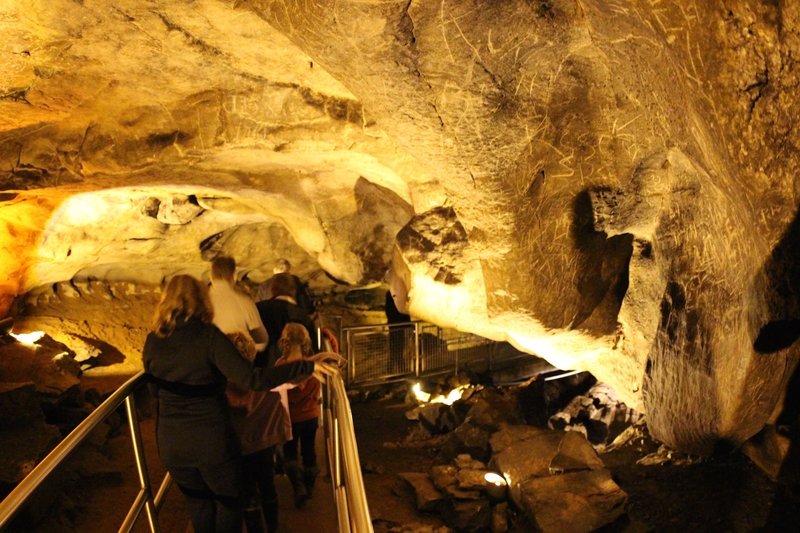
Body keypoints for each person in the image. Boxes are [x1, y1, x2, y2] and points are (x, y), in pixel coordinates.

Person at [142, 275, 337, 533]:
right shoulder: (208, 336)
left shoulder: (153, 340)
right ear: (202, 300)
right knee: (229, 503)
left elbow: (153, 389)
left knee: (198, 504)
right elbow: (252, 379)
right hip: (210, 440)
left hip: (171, 442)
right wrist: (305, 365)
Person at [207, 256, 283, 532]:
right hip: (246, 371)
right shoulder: (243, 301)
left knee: (239, 480)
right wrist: (249, 349)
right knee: (264, 479)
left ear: (211, 273)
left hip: (217, 379)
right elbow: (262, 341)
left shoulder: (202, 303)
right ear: (234, 274)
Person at [275, 324, 345, 508]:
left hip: (290, 418)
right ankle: (310, 486)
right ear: (306, 341)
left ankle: (298, 487)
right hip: (311, 417)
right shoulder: (315, 365)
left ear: (284, 342)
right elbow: (335, 360)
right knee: (309, 451)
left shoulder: (281, 366)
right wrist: (331, 339)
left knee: (290, 452)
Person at [257, 273, 318, 366]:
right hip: (294, 373)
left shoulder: (259, 309)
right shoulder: (304, 317)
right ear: (294, 292)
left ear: (273, 290)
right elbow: (312, 352)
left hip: (262, 372)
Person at [385, 289, 411, 373]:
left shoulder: (391, 294)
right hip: (397, 325)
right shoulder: (397, 295)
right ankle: (397, 369)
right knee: (397, 348)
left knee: (396, 348)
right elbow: (403, 311)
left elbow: (389, 310)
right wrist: (408, 323)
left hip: (395, 325)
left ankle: (393, 370)